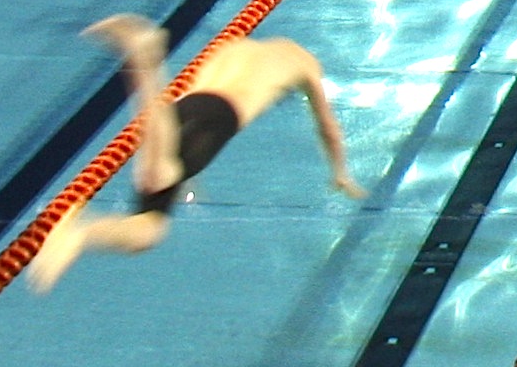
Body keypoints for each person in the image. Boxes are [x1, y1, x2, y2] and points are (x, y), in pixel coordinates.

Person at [29, 15, 359, 288]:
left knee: (150, 227)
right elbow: (328, 127)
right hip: (220, 119)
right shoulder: (304, 62)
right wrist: (340, 172)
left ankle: (81, 228)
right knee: (154, 204)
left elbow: (189, 104)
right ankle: (145, 62)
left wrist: (187, 173)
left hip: (186, 111)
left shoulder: (231, 47)